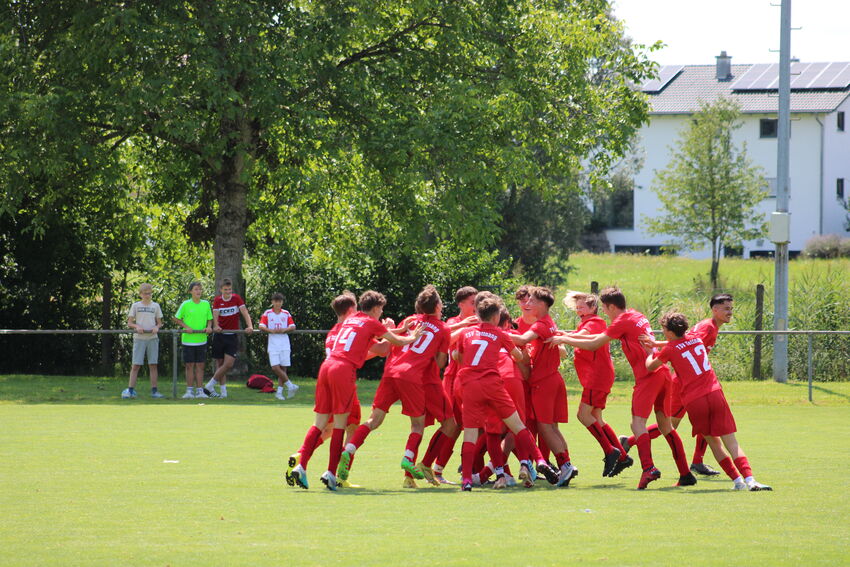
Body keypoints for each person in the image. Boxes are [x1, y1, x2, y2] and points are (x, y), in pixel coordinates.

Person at [547, 287, 694, 489]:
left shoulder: (622, 321)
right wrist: (567, 335)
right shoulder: (635, 315)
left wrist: (564, 339)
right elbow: (596, 337)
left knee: (637, 424)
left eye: (605, 308)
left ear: (611, 307)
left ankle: (648, 468)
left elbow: (595, 343)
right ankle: (685, 473)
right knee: (665, 426)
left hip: (648, 376)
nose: (603, 312)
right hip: (663, 372)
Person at [286, 290, 422, 491]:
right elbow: (393, 344)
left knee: (319, 423)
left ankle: (302, 465)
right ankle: (331, 473)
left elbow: (374, 339)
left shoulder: (350, 320)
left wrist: (397, 329)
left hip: (326, 367)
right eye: (381, 309)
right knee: (340, 424)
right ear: (376, 308)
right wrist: (412, 336)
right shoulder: (371, 322)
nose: (381, 313)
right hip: (343, 370)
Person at [338, 285, 451, 488]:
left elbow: (391, 344)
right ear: (436, 306)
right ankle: (408, 459)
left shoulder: (409, 320)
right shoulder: (442, 328)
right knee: (417, 425)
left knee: (373, 420)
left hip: (391, 372)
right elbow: (441, 362)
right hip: (413, 376)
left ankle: (350, 448)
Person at [646, 312, 772, 491]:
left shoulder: (670, 349)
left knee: (714, 443)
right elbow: (681, 343)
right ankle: (751, 480)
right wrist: (659, 344)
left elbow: (651, 366)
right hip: (714, 393)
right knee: (732, 442)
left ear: (670, 332)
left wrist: (649, 352)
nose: (663, 332)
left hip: (694, 400)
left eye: (664, 329)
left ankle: (737, 481)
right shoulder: (696, 339)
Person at [632, 293, 736, 476]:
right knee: (670, 424)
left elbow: (680, 341)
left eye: (731, 309)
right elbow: (682, 343)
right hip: (685, 384)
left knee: (705, 421)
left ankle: (698, 461)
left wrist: (657, 343)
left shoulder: (711, 327)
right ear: (715, 310)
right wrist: (657, 346)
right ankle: (630, 441)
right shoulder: (708, 328)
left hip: (695, 382)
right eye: (726, 309)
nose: (730, 312)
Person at [454, 294, 544, 491]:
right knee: (518, 426)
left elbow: (457, 355)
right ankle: (538, 461)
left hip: (470, 385)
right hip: (492, 384)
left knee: (470, 434)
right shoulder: (501, 333)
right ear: (496, 317)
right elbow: (518, 356)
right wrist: (524, 353)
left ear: (478, 314)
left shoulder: (465, 333)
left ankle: (467, 480)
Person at [510, 286, 575, 487]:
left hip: (543, 382)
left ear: (542, 304)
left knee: (545, 427)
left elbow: (522, 339)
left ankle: (565, 465)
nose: (528, 303)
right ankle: (567, 464)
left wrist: (493, 331)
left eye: (532, 301)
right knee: (552, 427)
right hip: (553, 378)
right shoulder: (548, 322)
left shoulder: (540, 324)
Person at [562, 291, 630, 477]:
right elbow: (579, 334)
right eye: (577, 306)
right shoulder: (586, 322)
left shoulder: (594, 322)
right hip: (598, 376)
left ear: (593, 307)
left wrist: (562, 337)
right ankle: (623, 457)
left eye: (582, 305)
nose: (578, 308)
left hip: (597, 376)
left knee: (583, 415)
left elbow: (582, 336)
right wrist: (562, 334)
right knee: (596, 418)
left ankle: (610, 451)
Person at [420, 285, 479, 484]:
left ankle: (443, 468)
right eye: (472, 302)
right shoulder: (453, 322)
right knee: (452, 425)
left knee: (462, 425)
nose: (476, 306)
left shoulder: (480, 321)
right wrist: (465, 327)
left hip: (471, 380)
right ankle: (435, 467)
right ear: (461, 304)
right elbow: (447, 342)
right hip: (453, 378)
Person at [205, 278, 253, 398]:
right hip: (219, 336)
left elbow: (245, 312)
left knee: (228, 364)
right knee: (220, 364)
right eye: (225, 290)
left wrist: (250, 326)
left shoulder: (236, 298)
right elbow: (215, 315)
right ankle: (223, 393)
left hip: (232, 336)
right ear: (221, 290)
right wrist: (216, 326)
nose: (228, 292)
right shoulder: (217, 300)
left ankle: (210, 385)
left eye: (230, 289)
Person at [123, 283, 164, 399]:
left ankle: (154, 391)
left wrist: (157, 327)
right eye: (145, 293)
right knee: (136, 365)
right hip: (139, 339)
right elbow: (129, 323)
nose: (148, 295)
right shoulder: (135, 306)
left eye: (150, 293)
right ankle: (130, 391)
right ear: (140, 294)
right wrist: (137, 326)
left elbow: (160, 323)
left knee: (153, 364)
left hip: (152, 338)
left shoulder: (155, 306)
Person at [173, 282, 213, 399]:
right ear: (190, 291)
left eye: (200, 289)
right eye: (196, 289)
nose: (198, 291)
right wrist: (186, 327)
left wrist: (209, 327)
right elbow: (176, 318)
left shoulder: (206, 304)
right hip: (188, 341)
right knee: (189, 366)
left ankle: (200, 391)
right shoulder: (185, 304)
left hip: (202, 340)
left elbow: (210, 319)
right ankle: (189, 391)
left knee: (200, 366)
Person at [258, 292, 299, 400]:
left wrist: (284, 330)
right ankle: (291, 386)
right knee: (275, 367)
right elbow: (261, 326)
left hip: (284, 344)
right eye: (276, 301)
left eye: (280, 301)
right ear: (272, 302)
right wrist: (271, 330)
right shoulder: (267, 313)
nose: (278, 303)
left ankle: (279, 393)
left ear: (282, 302)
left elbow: (292, 326)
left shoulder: (286, 313)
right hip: (273, 344)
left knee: (283, 368)